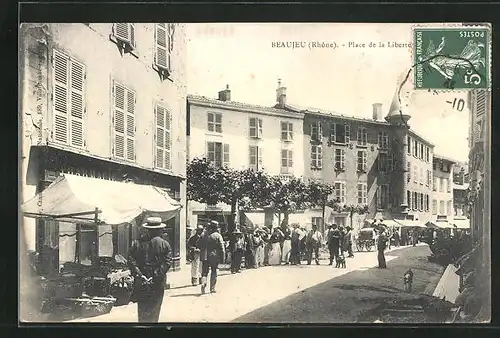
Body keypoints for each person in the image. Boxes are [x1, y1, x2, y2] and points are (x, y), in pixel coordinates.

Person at [128, 217, 172, 323]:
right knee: (154, 311)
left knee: (142, 311)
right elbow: (167, 263)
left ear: (148, 229)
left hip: (142, 282)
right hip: (157, 283)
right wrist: (154, 276)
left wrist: (140, 275)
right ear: (159, 230)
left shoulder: (137, 243)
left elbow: (131, 261)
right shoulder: (165, 244)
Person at [197, 220, 225, 294]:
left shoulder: (203, 234)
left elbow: (198, 244)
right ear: (216, 228)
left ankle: (203, 283)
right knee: (213, 271)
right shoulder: (218, 235)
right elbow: (222, 248)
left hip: (205, 256)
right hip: (214, 256)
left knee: (204, 272)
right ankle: (212, 288)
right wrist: (223, 258)